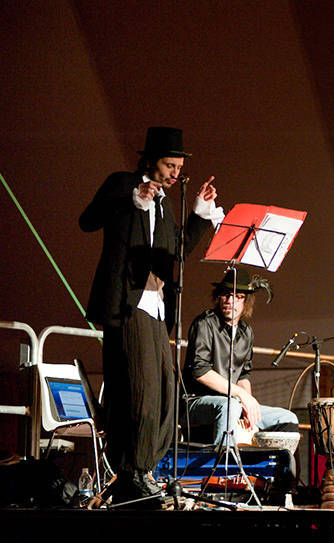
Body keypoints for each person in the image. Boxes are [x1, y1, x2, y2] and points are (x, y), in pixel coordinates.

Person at [80, 127, 222, 504]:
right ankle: (132, 472)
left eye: (179, 168)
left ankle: (145, 470)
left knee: (166, 394)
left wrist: (199, 214)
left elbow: (177, 252)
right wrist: (132, 200)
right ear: (150, 160)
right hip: (128, 304)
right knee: (140, 392)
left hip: (156, 306)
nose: (176, 173)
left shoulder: (164, 204)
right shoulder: (122, 184)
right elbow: (88, 220)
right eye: (169, 165)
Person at [183, 270, 298, 445]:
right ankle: (224, 462)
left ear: (246, 302)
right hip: (195, 402)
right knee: (230, 406)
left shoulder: (246, 332)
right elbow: (200, 371)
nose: (230, 301)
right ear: (218, 297)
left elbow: (243, 375)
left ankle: (271, 464)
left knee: (287, 418)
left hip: (233, 403)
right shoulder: (205, 323)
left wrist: (248, 406)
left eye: (238, 296)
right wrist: (241, 396)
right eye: (226, 295)